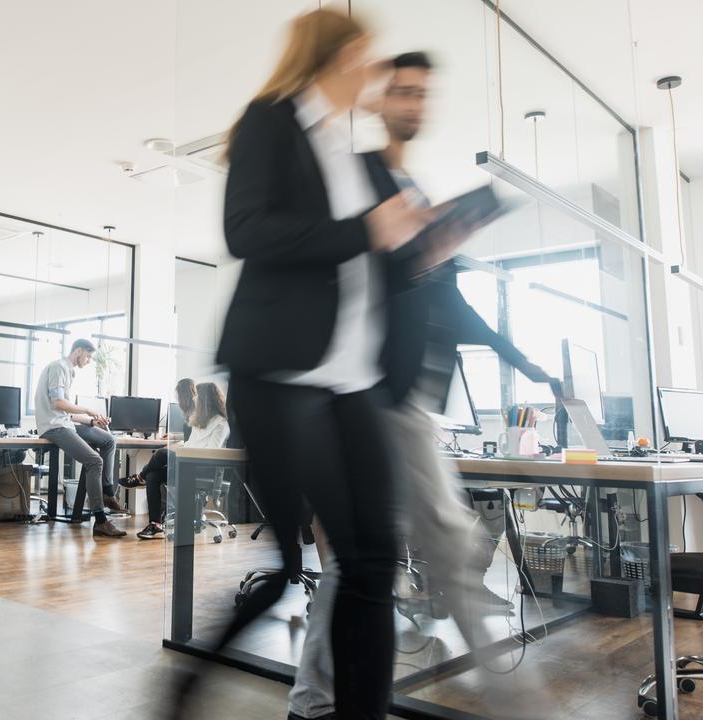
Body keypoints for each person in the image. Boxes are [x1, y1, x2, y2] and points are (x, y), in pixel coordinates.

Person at [171, 9, 440, 720]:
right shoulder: (271, 121)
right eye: (369, 60)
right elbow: (246, 230)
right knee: (303, 564)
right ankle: (187, 685)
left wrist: (416, 255)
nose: (377, 78)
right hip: (286, 376)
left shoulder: (344, 151)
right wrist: (366, 229)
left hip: (355, 382)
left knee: (374, 561)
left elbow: (362, 265)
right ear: (343, 54)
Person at [287, 51, 559, 720]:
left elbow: (457, 308)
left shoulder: (410, 191)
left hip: (403, 397)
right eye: (402, 92)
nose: (413, 104)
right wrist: (418, 250)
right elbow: (352, 276)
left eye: (421, 94)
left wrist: (524, 363)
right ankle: (519, 706)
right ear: (380, 101)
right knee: (446, 542)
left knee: (366, 558)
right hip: (374, 393)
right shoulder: (363, 177)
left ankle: (312, 698)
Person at [34, 338, 128, 538]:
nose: (89, 360)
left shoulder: (68, 371)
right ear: (78, 351)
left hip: (64, 423)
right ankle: (101, 521)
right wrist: (88, 410)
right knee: (95, 461)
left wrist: (92, 421)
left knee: (109, 440)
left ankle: (107, 492)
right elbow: (58, 403)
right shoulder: (59, 367)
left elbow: (66, 413)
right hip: (53, 427)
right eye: (88, 356)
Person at [132, 381, 229, 540]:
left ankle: (139, 477)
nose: (194, 399)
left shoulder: (221, 424)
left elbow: (212, 453)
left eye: (197, 396)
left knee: (162, 453)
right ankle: (156, 525)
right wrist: (181, 447)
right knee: (154, 476)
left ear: (205, 400)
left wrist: (180, 451)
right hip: (188, 463)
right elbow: (192, 444)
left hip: (203, 468)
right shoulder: (200, 421)